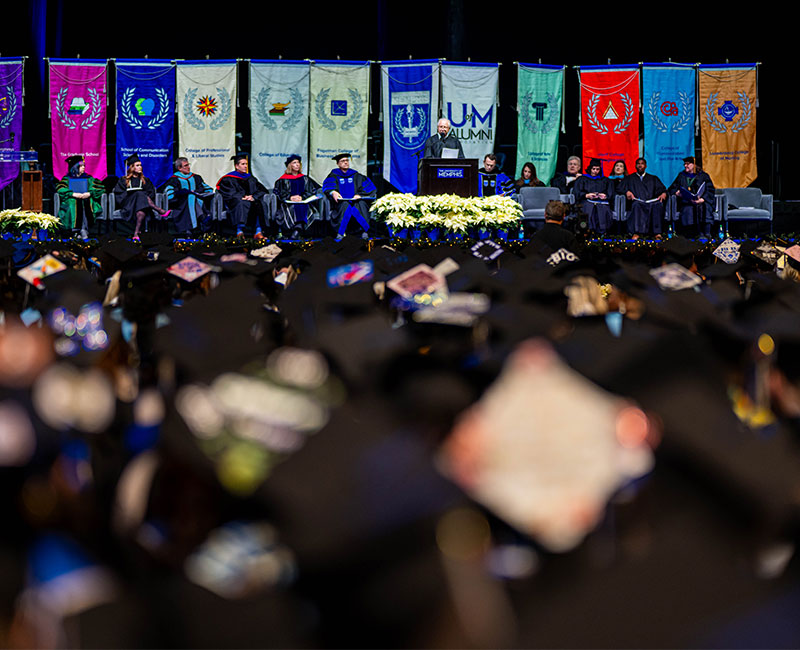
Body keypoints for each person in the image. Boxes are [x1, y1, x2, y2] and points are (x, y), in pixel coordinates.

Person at [113, 154, 171, 241]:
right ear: (132, 167)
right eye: (137, 165)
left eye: (140, 165)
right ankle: (159, 210)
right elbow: (119, 194)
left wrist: (140, 195)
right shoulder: (124, 180)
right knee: (139, 194)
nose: (140, 167)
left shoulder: (145, 180)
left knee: (141, 204)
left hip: (142, 205)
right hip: (129, 205)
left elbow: (151, 193)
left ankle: (136, 233)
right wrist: (132, 194)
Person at [216, 153, 271, 239]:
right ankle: (239, 231)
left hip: (250, 200)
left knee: (260, 203)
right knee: (241, 203)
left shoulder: (251, 178)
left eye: (246, 164)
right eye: (243, 164)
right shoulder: (228, 178)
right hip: (236, 201)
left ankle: (258, 232)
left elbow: (262, 190)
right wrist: (243, 197)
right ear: (237, 166)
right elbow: (228, 192)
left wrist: (253, 197)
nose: (245, 166)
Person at [322, 153, 376, 239]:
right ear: (338, 164)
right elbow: (327, 186)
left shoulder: (356, 175)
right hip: (340, 203)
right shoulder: (333, 175)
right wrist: (333, 192)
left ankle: (364, 231)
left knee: (361, 204)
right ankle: (340, 233)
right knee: (345, 205)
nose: (346, 162)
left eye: (347, 160)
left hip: (356, 202)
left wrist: (360, 194)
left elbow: (369, 187)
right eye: (343, 161)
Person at [273, 154, 324, 239]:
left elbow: (312, 190)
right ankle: (298, 229)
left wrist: (302, 197)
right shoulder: (282, 180)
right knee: (293, 207)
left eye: (298, 163)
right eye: (294, 163)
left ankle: (297, 230)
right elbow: (279, 193)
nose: (297, 164)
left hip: (304, 202)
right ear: (289, 165)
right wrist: (290, 197)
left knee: (303, 206)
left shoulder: (305, 178)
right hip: (288, 204)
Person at [55, 154, 104, 239]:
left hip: (85, 198)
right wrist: (73, 194)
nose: (83, 167)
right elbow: (61, 189)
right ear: (74, 167)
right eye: (81, 166)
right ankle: (76, 230)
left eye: (84, 166)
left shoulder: (88, 178)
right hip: (72, 200)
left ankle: (83, 229)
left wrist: (89, 193)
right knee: (73, 203)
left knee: (85, 202)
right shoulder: (67, 179)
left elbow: (99, 188)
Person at [161, 157, 214, 235]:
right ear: (179, 168)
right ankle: (203, 217)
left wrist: (195, 192)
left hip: (197, 201)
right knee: (190, 197)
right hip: (181, 204)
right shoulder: (174, 179)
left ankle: (196, 223)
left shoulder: (196, 177)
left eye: (188, 165)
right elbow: (170, 194)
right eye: (185, 166)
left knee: (192, 197)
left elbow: (207, 189)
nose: (188, 167)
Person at [668, 156, 716, 238]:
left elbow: (710, 190)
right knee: (688, 209)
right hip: (687, 202)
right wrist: (677, 193)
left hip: (701, 201)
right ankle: (691, 234)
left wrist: (702, 199)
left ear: (694, 165)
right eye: (685, 164)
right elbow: (672, 188)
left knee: (705, 207)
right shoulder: (681, 176)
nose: (685, 166)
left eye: (687, 164)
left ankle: (706, 233)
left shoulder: (703, 176)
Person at [621, 158, 667, 240]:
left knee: (658, 205)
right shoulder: (629, 178)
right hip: (637, 202)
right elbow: (619, 188)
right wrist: (626, 192)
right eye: (638, 163)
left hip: (651, 202)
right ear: (635, 166)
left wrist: (663, 193)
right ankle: (637, 233)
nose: (640, 165)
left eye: (642, 163)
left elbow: (663, 189)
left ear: (645, 166)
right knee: (636, 205)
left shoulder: (653, 178)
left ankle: (657, 233)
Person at [572, 158, 614, 234]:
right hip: (586, 201)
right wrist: (586, 195)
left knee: (602, 208)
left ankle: (602, 233)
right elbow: (576, 192)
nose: (595, 171)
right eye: (593, 169)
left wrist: (605, 196)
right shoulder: (582, 179)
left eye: (597, 169)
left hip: (601, 202)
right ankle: (587, 232)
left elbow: (610, 194)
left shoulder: (605, 180)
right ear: (590, 169)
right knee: (589, 207)